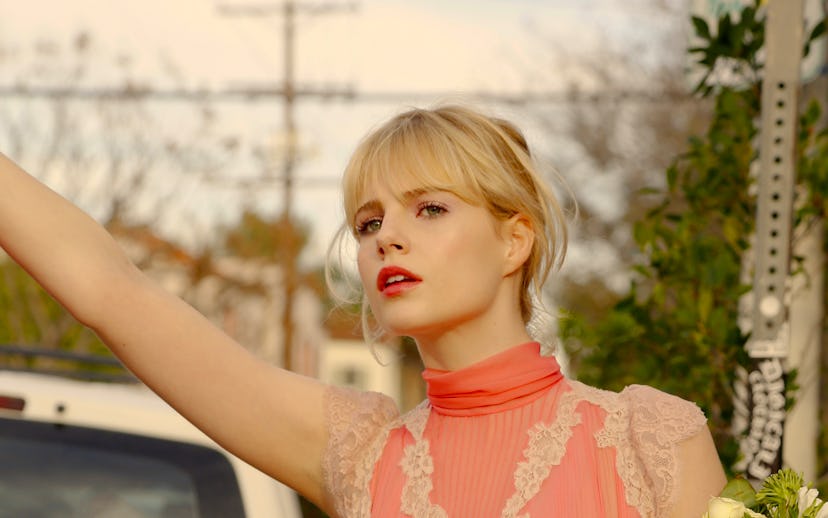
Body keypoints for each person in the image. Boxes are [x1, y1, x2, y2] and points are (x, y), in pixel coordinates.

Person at [0, 104, 726, 517]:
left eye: (430, 208)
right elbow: (114, 292)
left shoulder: (651, 439)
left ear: (515, 240)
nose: (389, 238)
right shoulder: (359, 450)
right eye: (370, 221)